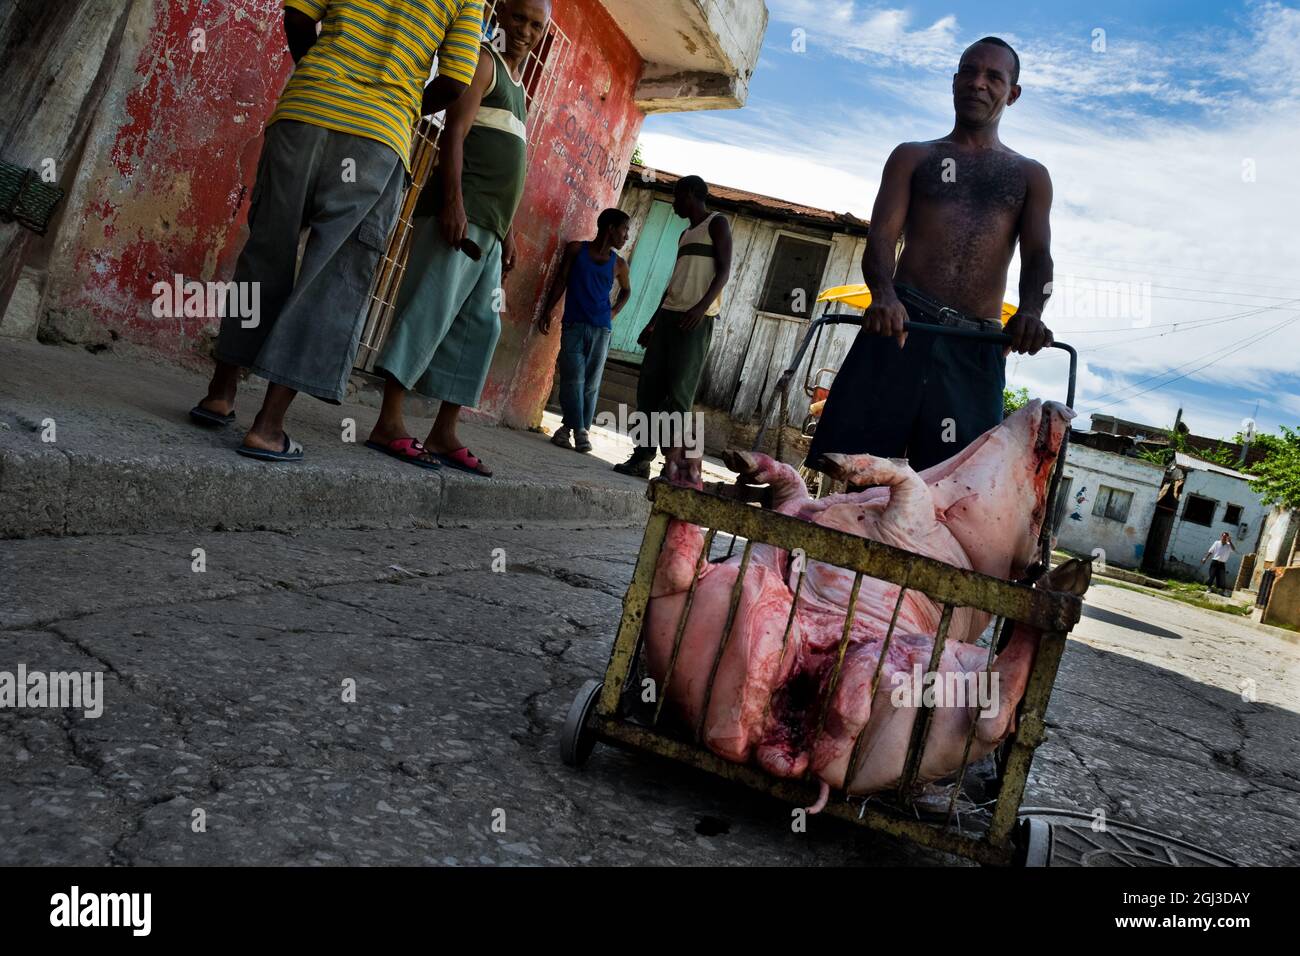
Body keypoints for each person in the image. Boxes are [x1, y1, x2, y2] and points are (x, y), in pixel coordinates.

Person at [189, 0, 485, 462]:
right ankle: (267, 428)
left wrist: (319, 73)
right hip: (376, 132)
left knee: (266, 253)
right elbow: (454, 80)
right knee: (331, 281)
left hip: (303, 112)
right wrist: (404, 104)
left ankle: (220, 394)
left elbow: (298, 16)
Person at [807, 36, 1055, 477]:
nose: (978, 83)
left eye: (993, 76)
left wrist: (1032, 311)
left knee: (953, 490)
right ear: (954, 81)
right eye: (968, 71)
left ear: (1012, 94)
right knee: (857, 472)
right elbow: (881, 237)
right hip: (902, 327)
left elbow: (1038, 256)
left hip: (975, 346)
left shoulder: (1029, 175)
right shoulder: (913, 157)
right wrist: (883, 294)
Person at [365, 0, 551, 478]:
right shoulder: (483, 61)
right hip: (458, 219)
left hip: (490, 229)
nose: (526, 31)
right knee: (426, 311)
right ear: (501, 13)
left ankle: (444, 432)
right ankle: (388, 422)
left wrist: (507, 232)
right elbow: (455, 134)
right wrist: (453, 204)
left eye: (536, 25)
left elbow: (503, 163)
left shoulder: (519, 87)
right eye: (518, 19)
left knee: (479, 330)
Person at [613, 175, 732, 478]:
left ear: (691, 194)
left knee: (678, 396)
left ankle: (674, 466)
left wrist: (701, 308)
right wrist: (652, 322)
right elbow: (674, 283)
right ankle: (641, 458)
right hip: (668, 316)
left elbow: (724, 271)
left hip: (695, 320)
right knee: (649, 390)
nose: (674, 202)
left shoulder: (717, 223)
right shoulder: (685, 234)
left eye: (677, 196)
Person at [538, 209, 632, 453]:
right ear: (610, 228)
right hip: (573, 325)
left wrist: (613, 312)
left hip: (602, 329)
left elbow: (626, 291)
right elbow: (561, 279)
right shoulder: (577, 250)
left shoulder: (619, 264)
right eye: (624, 230)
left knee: (590, 384)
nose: (626, 236)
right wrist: (547, 310)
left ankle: (568, 430)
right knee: (573, 378)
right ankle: (580, 431)